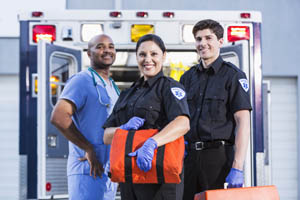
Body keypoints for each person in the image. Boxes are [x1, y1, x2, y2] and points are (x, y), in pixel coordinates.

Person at [102, 34, 190, 200]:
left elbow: (183, 123)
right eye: (142, 54)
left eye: (153, 54)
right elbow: (106, 136)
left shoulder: (169, 87)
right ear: (137, 57)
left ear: (163, 56)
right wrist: (122, 129)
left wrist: (152, 143)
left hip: (160, 179)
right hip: (130, 178)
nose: (147, 59)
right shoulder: (127, 95)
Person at [180, 19, 252, 199]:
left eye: (208, 38)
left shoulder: (233, 76)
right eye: (198, 39)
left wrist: (237, 166)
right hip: (190, 160)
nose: (202, 43)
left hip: (218, 159)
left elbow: (243, 122)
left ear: (220, 42)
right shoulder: (187, 78)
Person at [50, 34, 119, 200]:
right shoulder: (82, 80)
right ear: (89, 53)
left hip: (107, 170)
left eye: (111, 46)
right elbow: (59, 117)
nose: (107, 50)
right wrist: (88, 148)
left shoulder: (111, 86)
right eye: (100, 46)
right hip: (87, 169)